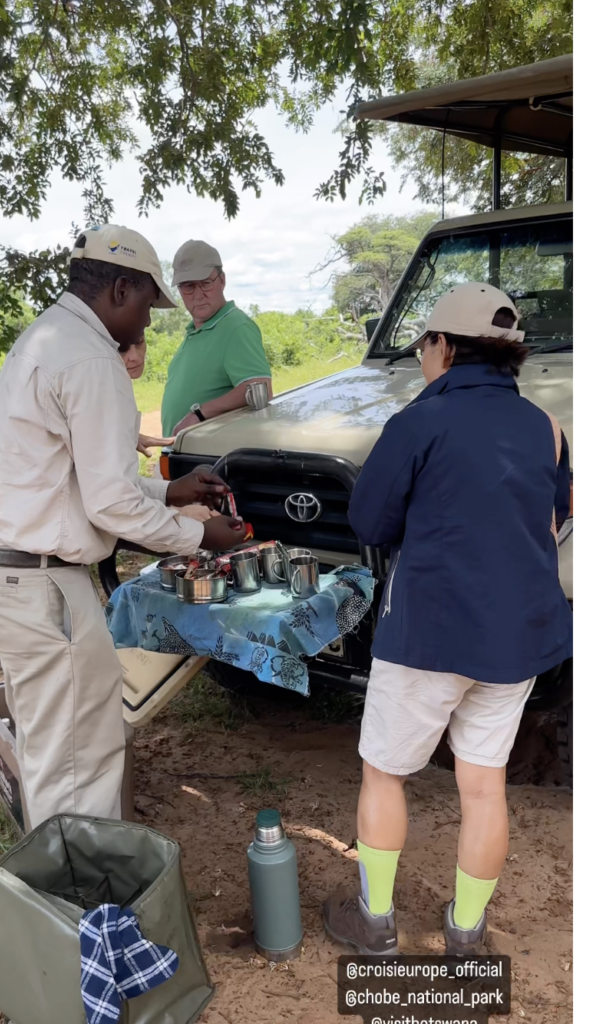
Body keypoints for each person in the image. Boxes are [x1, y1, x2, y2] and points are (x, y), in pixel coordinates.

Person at [0, 224, 244, 829]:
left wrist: (170, 489)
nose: (147, 323)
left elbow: (82, 479)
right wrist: (199, 535)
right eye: (146, 304)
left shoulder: (47, 338)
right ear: (119, 288)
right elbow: (109, 504)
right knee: (79, 756)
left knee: (53, 743)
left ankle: (59, 881)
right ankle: (81, 903)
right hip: (35, 583)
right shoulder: (92, 360)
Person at [323, 282, 572, 955]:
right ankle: (466, 932)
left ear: (441, 347)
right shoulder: (545, 428)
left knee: (383, 772)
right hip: (516, 638)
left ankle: (374, 923)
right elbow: (553, 520)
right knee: (482, 786)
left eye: (423, 346)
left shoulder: (417, 423)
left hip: (428, 634)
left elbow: (371, 521)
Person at [161, 240, 272, 436]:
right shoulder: (194, 331)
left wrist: (199, 414)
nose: (198, 294)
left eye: (205, 283)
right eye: (188, 286)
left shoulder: (236, 326)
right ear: (179, 290)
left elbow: (259, 387)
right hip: (184, 456)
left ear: (222, 280)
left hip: (212, 460)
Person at [120, 334, 219, 524]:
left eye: (139, 342)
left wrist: (128, 436)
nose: (135, 357)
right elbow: (115, 502)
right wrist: (185, 522)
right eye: (121, 348)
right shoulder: (97, 386)